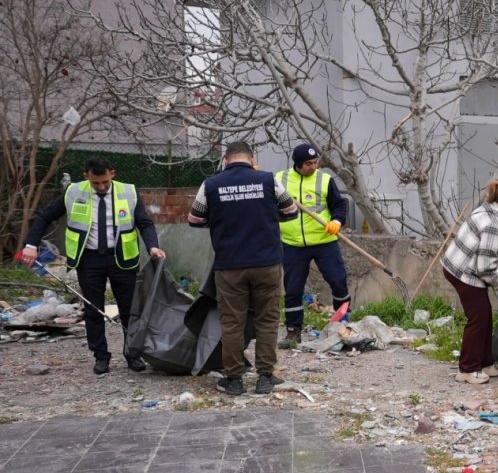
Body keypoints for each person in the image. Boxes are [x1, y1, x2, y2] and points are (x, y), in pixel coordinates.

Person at [20, 157, 166, 374]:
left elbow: (144, 222)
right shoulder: (73, 192)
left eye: (105, 182)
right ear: (86, 176)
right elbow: (45, 216)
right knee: (93, 310)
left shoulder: (128, 192)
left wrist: (152, 246)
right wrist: (31, 245)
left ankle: (132, 354)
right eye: (96, 182)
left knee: (129, 310)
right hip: (89, 260)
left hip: (122, 259)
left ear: (112, 174)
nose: (101, 187)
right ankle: (101, 357)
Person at [188, 142, 299, 396]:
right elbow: (290, 211)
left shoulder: (211, 184)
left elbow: (194, 219)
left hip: (229, 266)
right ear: (252, 158)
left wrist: (220, 219)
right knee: (267, 320)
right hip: (267, 263)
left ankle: (234, 379)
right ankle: (265, 377)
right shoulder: (268, 181)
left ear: (225, 160)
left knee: (232, 322)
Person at [442, 179, 498, 385]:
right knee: (478, 318)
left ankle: (486, 363)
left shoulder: (487, 210)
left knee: (484, 316)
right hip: (464, 272)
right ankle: (467, 369)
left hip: (455, 264)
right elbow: (485, 266)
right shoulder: (494, 224)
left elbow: (491, 248)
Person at [275, 143, 350, 347]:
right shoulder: (279, 180)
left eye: (316, 162)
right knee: (293, 288)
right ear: (298, 164)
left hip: (324, 241)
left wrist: (337, 221)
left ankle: (343, 323)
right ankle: (293, 331)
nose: (314, 166)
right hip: (292, 244)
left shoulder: (324, 180)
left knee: (338, 280)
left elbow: (339, 205)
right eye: (309, 163)